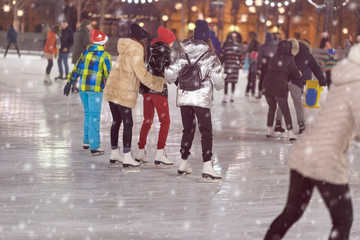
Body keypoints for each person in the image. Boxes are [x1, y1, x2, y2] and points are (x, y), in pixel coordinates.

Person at [264, 43, 360, 240]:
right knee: (343, 219)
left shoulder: (343, 81)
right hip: (326, 159)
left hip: (303, 151)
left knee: (292, 212)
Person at [165, 20, 225, 181]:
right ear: (207, 37)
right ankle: (207, 166)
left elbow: (170, 74)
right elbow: (219, 82)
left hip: (185, 96)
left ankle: (183, 162)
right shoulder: (210, 56)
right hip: (201, 98)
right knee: (206, 131)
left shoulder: (182, 52)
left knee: (188, 129)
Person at [103, 23, 165, 168]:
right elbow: (142, 75)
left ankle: (114, 152)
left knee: (116, 121)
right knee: (128, 123)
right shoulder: (136, 51)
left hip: (112, 88)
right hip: (123, 91)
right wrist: (159, 82)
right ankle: (126, 156)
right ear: (142, 40)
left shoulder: (125, 48)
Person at [63, 30, 112, 156]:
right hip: (95, 89)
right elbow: (109, 74)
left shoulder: (85, 53)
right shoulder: (104, 55)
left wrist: (69, 82)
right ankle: (95, 146)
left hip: (83, 88)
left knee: (88, 114)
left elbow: (77, 69)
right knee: (94, 116)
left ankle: (86, 141)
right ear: (103, 43)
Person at [135, 26, 175, 166]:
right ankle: (160, 152)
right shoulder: (166, 51)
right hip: (158, 89)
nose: (173, 44)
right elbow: (170, 73)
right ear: (168, 41)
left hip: (147, 89)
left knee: (147, 120)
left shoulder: (153, 50)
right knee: (165, 121)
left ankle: (141, 150)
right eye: (172, 41)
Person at [275, 39, 326, 134]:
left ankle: (278, 123)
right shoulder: (307, 55)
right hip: (296, 81)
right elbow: (316, 69)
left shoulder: (290, 50)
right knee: (298, 103)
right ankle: (301, 125)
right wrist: (322, 81)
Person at [262, 40, 301, 143]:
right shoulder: (290, 59)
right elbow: (295, 74)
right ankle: (291, 133)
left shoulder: (274, 57)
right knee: (285, 109)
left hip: (267, 84)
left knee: (271, 108)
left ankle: (269, 130)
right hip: (279, 86)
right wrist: (299, 73)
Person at [221, 32, 245, 103]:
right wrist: (242, 63)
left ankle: (225, 97)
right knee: (233, 82)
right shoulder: (236, 47)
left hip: (227, 66)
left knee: (226, 82)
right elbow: (241, 56)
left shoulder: (225, 47)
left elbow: (222, 56)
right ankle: (232, 96)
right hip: (235, 67)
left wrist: (220, 63)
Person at [71, 19, 93, 92]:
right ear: (87, 25)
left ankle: (74, 86)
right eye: (90, 25)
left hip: (76, 54)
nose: (91, 27)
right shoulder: (84, 32)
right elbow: (87, 43)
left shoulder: (78, 31)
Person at [257, 32, 277, 99]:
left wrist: (258, 66)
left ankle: (260, 92)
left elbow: (259, 57)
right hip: (273, 65)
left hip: (264, 65)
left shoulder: (262, 47)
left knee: (262, 79)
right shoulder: (276, 46)